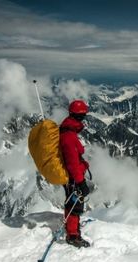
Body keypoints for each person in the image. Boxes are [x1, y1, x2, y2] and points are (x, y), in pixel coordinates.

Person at [59, 99, 91, 248]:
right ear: (80, 116)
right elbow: (72, 163)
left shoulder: (68, 130)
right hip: (73, 177)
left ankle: (73, 229)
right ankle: (73, 236)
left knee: (72, 203)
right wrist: (80, 182)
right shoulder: (69, 136)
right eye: (83, 115)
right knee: (75, 205)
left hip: (72, 176)